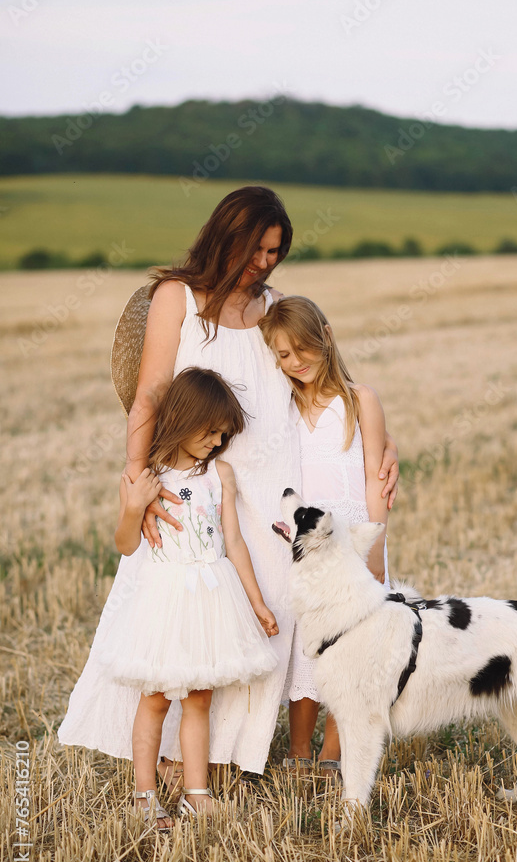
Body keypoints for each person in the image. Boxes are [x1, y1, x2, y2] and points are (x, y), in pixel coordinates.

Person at [58, 185, 399, 785]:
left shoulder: (276, 305)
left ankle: (230, 753)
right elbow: (151, 394)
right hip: (195, 486)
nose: (266, 262)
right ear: (227, 236)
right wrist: (136, 482)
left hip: (272, 490)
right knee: (182, 615)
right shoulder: (177, 298)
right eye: (257, 248)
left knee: (259, 623)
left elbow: (317, 381)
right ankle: (166, 756)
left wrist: (380, 444)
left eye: (276, 251)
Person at [67, 368, 279, 827]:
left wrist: (258, 603)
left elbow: (234, 543)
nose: (217, 440)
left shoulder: (219, 475)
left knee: (200, 698)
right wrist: (132, 505)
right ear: (184, 418)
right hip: (164, 600)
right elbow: (126, 543)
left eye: (224, 434)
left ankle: (195, 793)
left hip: (212, 597)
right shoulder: (148, 476)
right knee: (156, 699)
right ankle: (145, 796)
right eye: (211, 430)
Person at [259, 295, 390, 778]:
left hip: (353, 540)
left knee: (350, 645)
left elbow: (377, 477)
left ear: (327, 337)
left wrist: (374, 549)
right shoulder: (284, 408)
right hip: (306, 545)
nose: (296, 363)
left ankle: (333, 754)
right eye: (284, 356)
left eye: (303, 349)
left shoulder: (360, 401)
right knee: (306, 646)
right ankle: (298, 753)